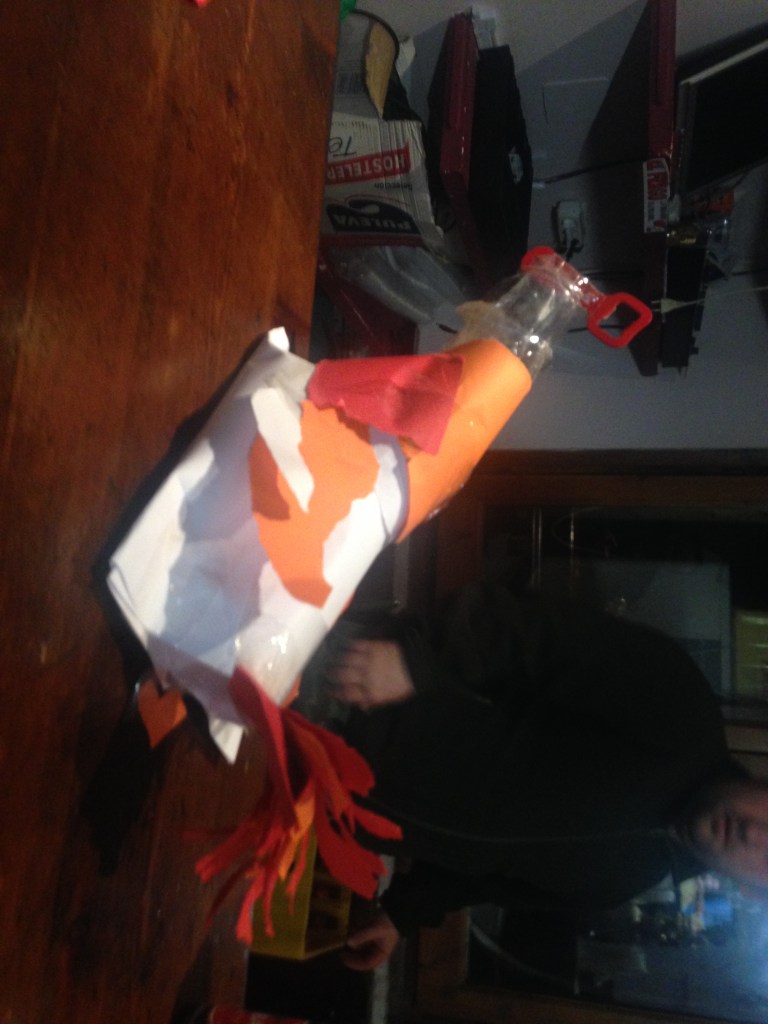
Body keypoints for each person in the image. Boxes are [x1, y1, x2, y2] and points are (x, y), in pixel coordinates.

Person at [308, 580, 768, 971]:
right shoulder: (683, 713)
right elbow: (541, 633)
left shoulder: (629, 880)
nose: (756, 834)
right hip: (347, 696)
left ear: (753, 889)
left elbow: (485, 878)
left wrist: (402, 913)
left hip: (326, 802)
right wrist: (418, 660)